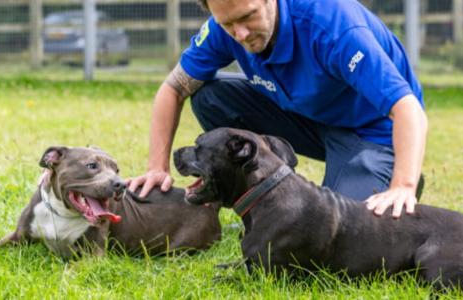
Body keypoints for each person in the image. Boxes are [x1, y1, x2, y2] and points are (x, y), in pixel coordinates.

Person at [126, 0, 428, 218]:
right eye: (228, 23)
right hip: (308, 118)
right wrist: (157, 167)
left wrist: (403, 184)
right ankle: (258, 194)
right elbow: (173, 88)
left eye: (248, 16)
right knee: (209, 96)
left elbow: (408, 110)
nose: (240, 33)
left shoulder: (333, 26)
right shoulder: (224, 25)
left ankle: (391, 173)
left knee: (330, 224)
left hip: (370, 133)